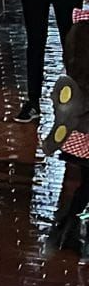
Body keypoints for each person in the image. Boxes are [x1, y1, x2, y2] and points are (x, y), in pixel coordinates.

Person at [45, 15, 89, 260]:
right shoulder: (82, 30)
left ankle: (65, 227)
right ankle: (66, 227)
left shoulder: (79, 29)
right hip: (85, 128)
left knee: (84, 183)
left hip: (80, 128)